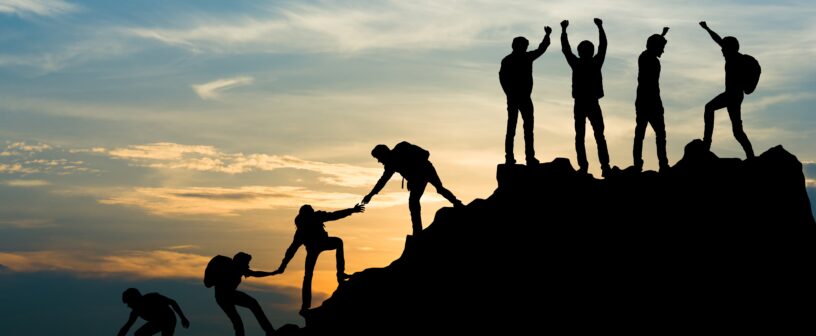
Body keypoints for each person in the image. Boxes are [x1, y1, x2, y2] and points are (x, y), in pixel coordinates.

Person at [275, 204, 364, 316]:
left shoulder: (310, 221)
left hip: (319, 244)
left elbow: (334, 215)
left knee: (308, 275)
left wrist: (351, 210)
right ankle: (306, 305)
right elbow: (291, 250)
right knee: (308, 275)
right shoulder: (304, 227)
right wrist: (283, 265)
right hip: (315, 247)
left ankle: (339, 275)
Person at [362, 142, 463, 236]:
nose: (379, 161)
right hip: (417, 179)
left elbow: (425, 153)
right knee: (414, 201)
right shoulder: (390, 165)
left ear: (384, 154)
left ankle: (457, 203)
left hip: (426, 170)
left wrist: (414, 174)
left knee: (438, 189)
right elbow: (382, 181)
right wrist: (370, 195)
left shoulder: (402, 147)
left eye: (379, 158)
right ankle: (417, 230)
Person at [561, 18, 612, 177]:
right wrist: (600, 27)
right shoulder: (591, 62)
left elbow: (567, 50)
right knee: (591, 136)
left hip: (587, 102)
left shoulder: (583, 63)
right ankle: (596, 166)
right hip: (586, 102)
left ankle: (598, 166)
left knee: (590, 136)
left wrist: (564, 31)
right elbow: (602, 46)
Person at [699, 21, 755, 158]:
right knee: (737, 130)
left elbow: (718, 40)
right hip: (733, 95)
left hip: (733, 95)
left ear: (730, 48)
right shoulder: (735, 57)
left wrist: (707, 29)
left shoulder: (733, 58)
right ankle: (750, 155)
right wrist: (707, 29)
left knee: (709, 108)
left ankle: (707, 144)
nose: (722, 50)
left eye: (724, 48)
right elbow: (719, 40)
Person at [499, 26, 553, 165]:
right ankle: (510, 157)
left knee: (527, 129)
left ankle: (528, 157)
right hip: (515, 98)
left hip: (524, 98)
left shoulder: (525, 57)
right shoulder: (509, 60)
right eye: (522, 45)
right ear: (515, 46)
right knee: (513, 128)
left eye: (525, 46)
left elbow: (541, 49)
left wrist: (547, 36)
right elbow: (502, 78)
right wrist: (509, 93)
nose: (524, 48)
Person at [633, 27, 670, 172]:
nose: (663, 51)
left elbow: (653, 45)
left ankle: (658, 164)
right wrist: (661, 36)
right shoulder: (647, 58)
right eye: (661, 48)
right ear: (655, 46)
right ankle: (658, 164)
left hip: (650, 101)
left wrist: (662, 35)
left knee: (652, 134)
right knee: (647, 133)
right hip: (648, 101)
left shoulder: (647, 57)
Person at [212, 252, 277, 336]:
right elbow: (254, 273)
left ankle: (269, 331)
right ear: (240, 261)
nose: (248, 265)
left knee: (241, 318)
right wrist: (271, 273)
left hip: (227, 295)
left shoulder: (239, 268)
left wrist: (271, 273)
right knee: (239, 320)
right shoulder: (231, 267)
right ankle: (270, 331)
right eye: (246, 263)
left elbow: (255, 273)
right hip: (224, 297)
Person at [117, 288, 190, 336]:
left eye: (128, 303)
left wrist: (183, 318)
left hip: (169, 319)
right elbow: (127, 327)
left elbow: (172, 302)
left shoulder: (152, 297)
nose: (128, 306)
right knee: (139, 334)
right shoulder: (135, 311)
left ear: (134, 299)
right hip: (158, 321)